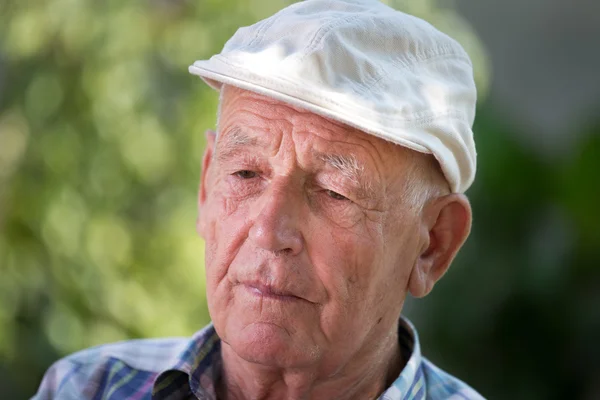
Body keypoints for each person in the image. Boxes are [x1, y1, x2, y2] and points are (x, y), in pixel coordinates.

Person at [33, 0, 483, 399]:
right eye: (245, 173)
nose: (269, 231)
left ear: (433, 245)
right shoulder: (86, 388)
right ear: (207, 187)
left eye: (333, 192)